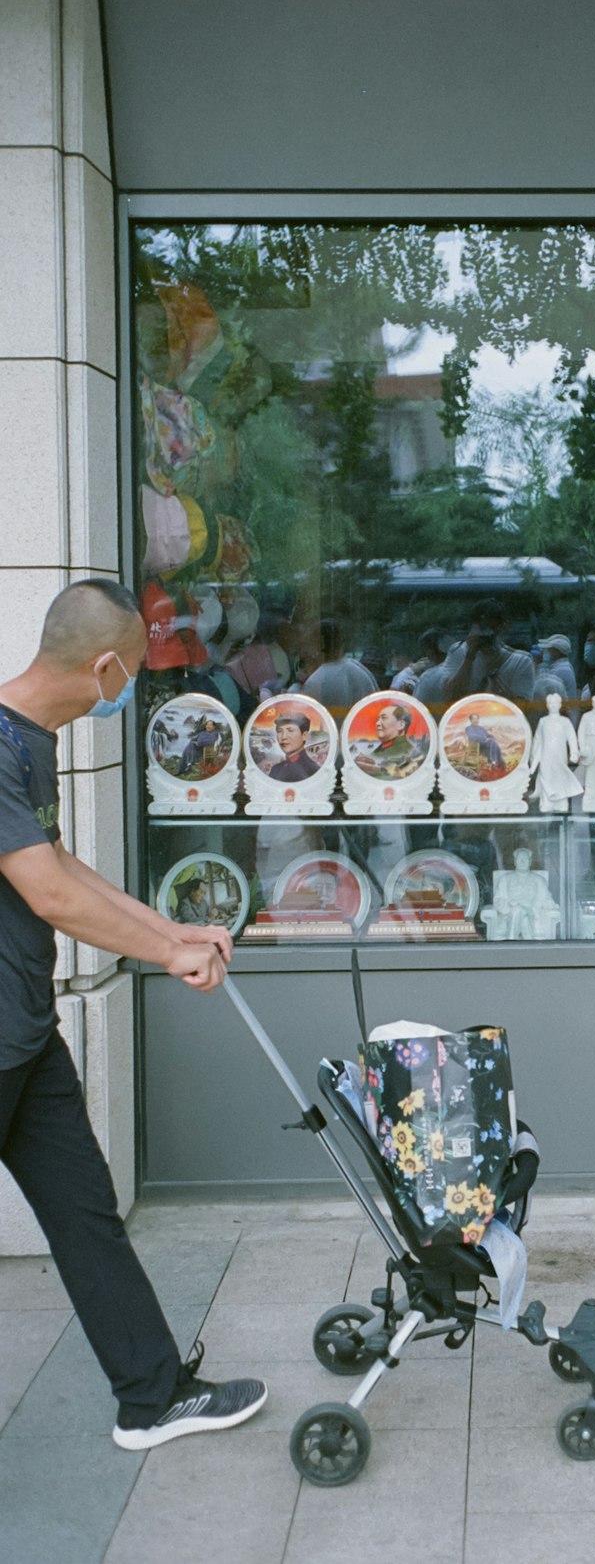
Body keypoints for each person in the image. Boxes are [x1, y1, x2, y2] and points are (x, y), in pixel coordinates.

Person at [0, 578, 266, 1450]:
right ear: (106, 664)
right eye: (133, 673)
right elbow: (44, 892)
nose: (129, 691)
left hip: (24, 1036)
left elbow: (57, 864)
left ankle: (152, 1395)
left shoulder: (28, 740)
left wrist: (169, 928)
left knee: (85, 1215)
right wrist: (163, 953)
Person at [427, 599, 534, 705]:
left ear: (503, 628)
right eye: (481, 629)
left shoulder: (521, 661)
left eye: (492, 629)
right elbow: (450, 697)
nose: (486, 636)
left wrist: (493, 673)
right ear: (472, 628)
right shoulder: (458, 652)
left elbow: (522, 708)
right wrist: (468, 659)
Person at [300, 619, 378, 716]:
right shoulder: (362, 671)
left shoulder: (316, 681)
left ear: (319, 645)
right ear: (341, 643)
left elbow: (305, 719)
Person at [529, 693, 583, 813]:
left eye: (555, 703)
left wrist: (574, 752)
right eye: (550, 703)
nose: (553, 706)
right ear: (547, 705)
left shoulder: (565, 721)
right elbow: (537, 739)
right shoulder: (543, 721)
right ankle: (546, 802)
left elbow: (572, 738)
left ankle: (561, 802)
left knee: (560, 777)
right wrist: (533, 756)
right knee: (546, 776)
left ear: (560, 705)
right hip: (545, 755)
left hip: (560, 755)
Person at [267, 713, 321, 781]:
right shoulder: (276, 769)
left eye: (290, 730)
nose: (283, 737)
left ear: (304, 735)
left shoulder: (313, 770)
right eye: (279, 731)